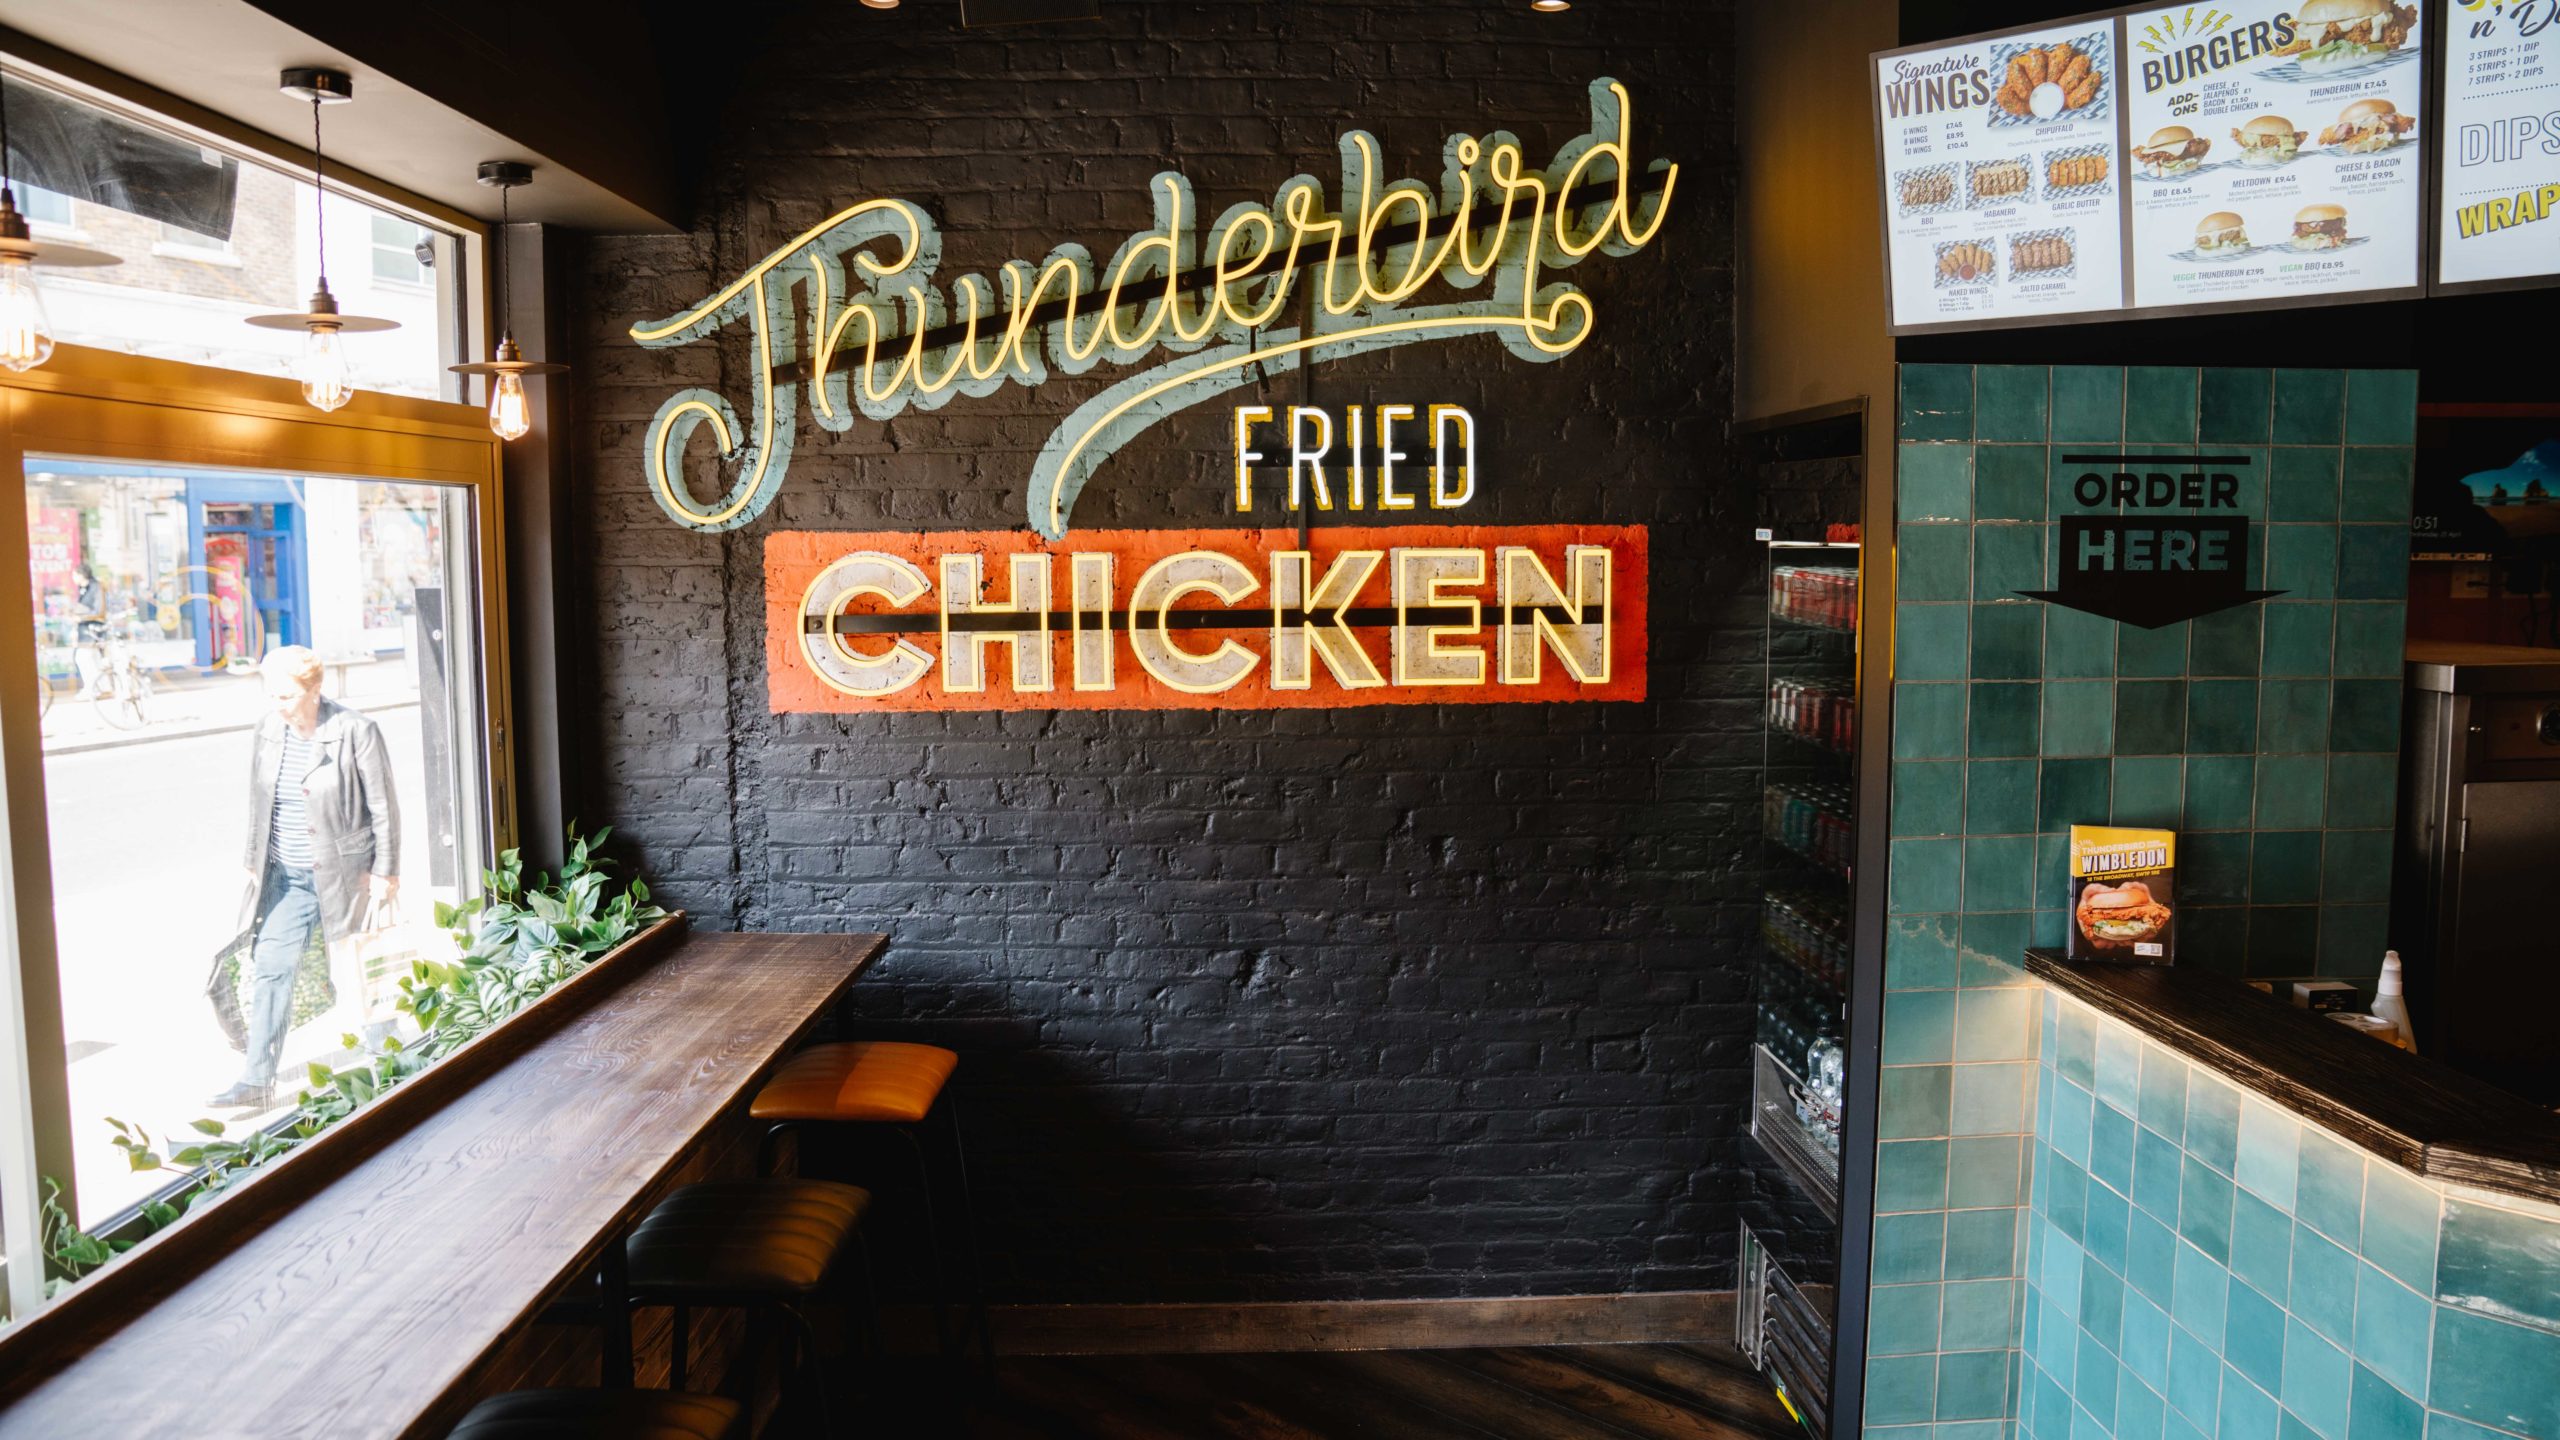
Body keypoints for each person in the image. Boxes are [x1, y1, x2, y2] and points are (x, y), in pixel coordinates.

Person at [209, 646, 399, 1109]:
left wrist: (386, 872)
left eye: (288, 695)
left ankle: (390, 1065)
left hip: (346, 875)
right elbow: (260, 798)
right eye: (271, 695)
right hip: (288, 876)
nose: (279, 704)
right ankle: (257, 1080)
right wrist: (253, 856)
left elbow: (384, 809)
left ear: (315, 689)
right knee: (271, 968)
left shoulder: (356, 731)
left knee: (363, 972)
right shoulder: (269, 729)